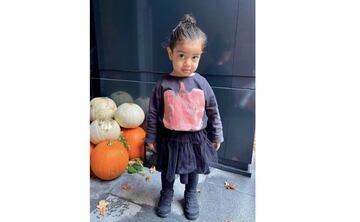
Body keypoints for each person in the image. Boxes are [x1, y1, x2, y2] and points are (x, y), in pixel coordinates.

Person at [145, 14, 224, 220]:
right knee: (168, 170)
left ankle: (190, 194)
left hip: (195, 138)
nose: (188, 63)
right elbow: (153, 112)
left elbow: (212, 111)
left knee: (193, 168)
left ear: (200, 56)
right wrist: (151, 138)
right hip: (169, 138)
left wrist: (216, 135)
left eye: (194, 57)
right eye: (181, 56)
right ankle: (167, 192)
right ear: (170, 53)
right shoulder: (163, 85)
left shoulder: (202, 84)